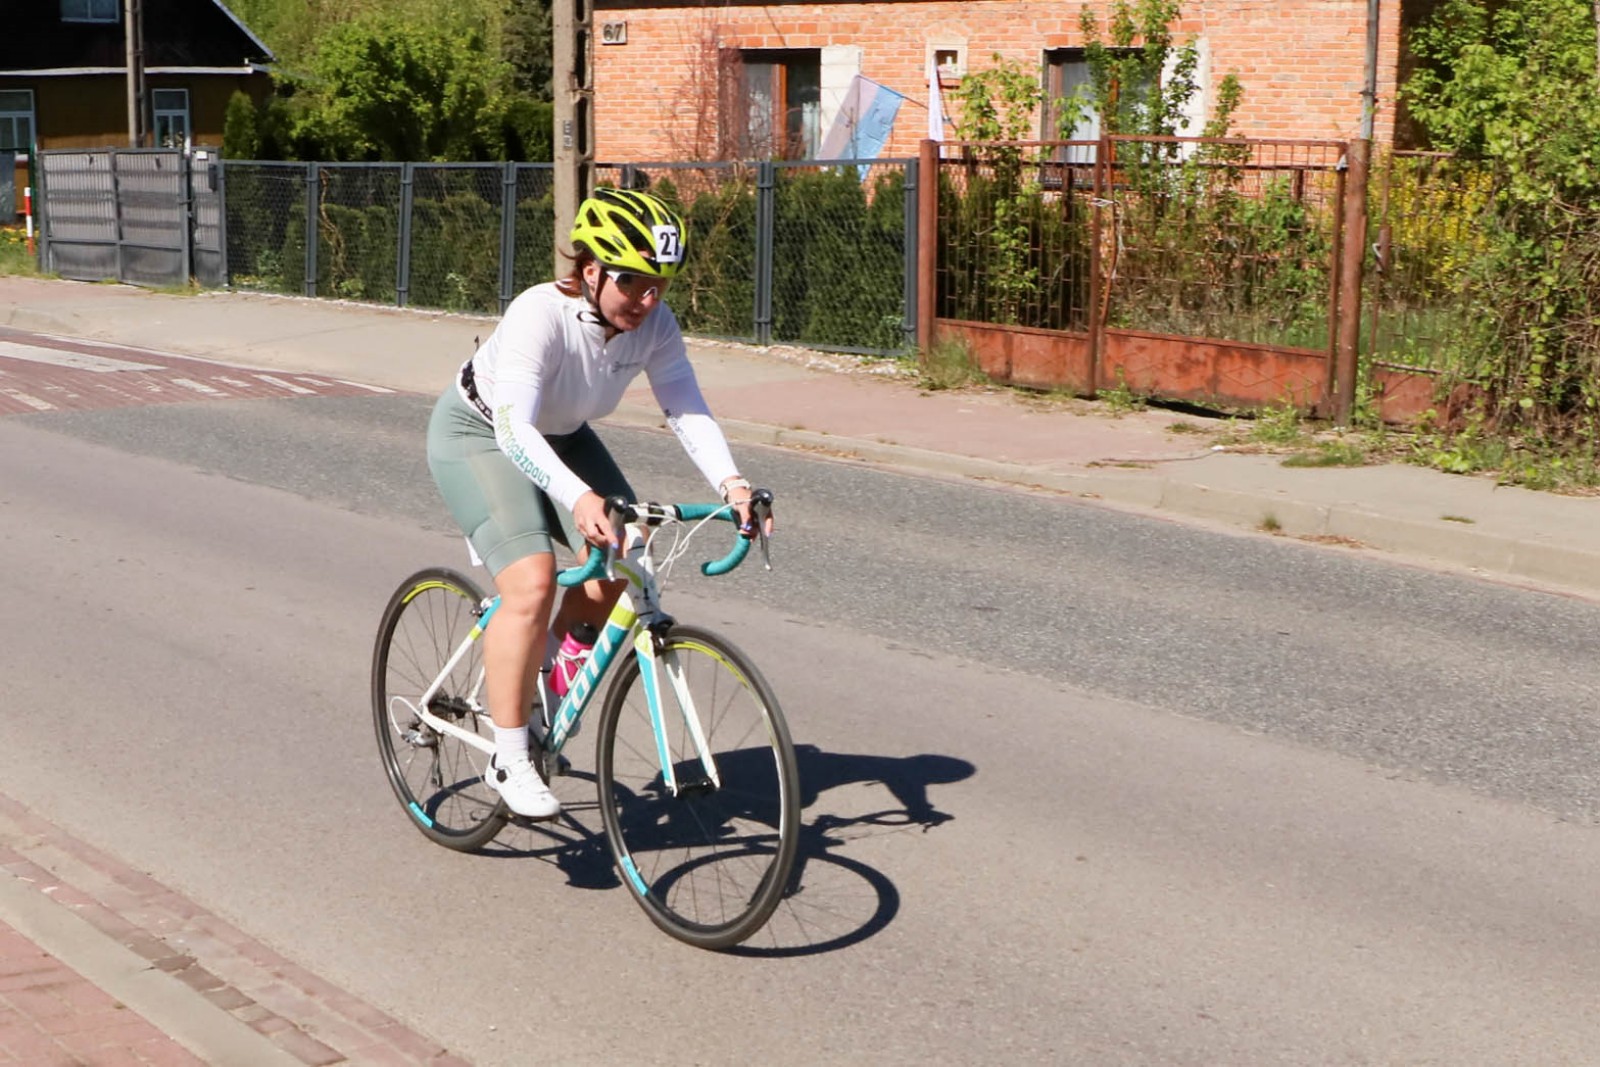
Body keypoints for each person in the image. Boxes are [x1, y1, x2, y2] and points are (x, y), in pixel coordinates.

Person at [425, 188, 772, 819]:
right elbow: (513, 430)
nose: (647, 300)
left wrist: (734, 485)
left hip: (563, 435)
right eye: (633, 282)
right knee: (531, 582)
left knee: (626, 553)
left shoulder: (655, 326)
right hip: (481, 433)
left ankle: (546, 678)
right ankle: (509, 757)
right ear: (591, 270)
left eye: (659, 286)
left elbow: (685, 407)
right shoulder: (540, 314)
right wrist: (579, 496)